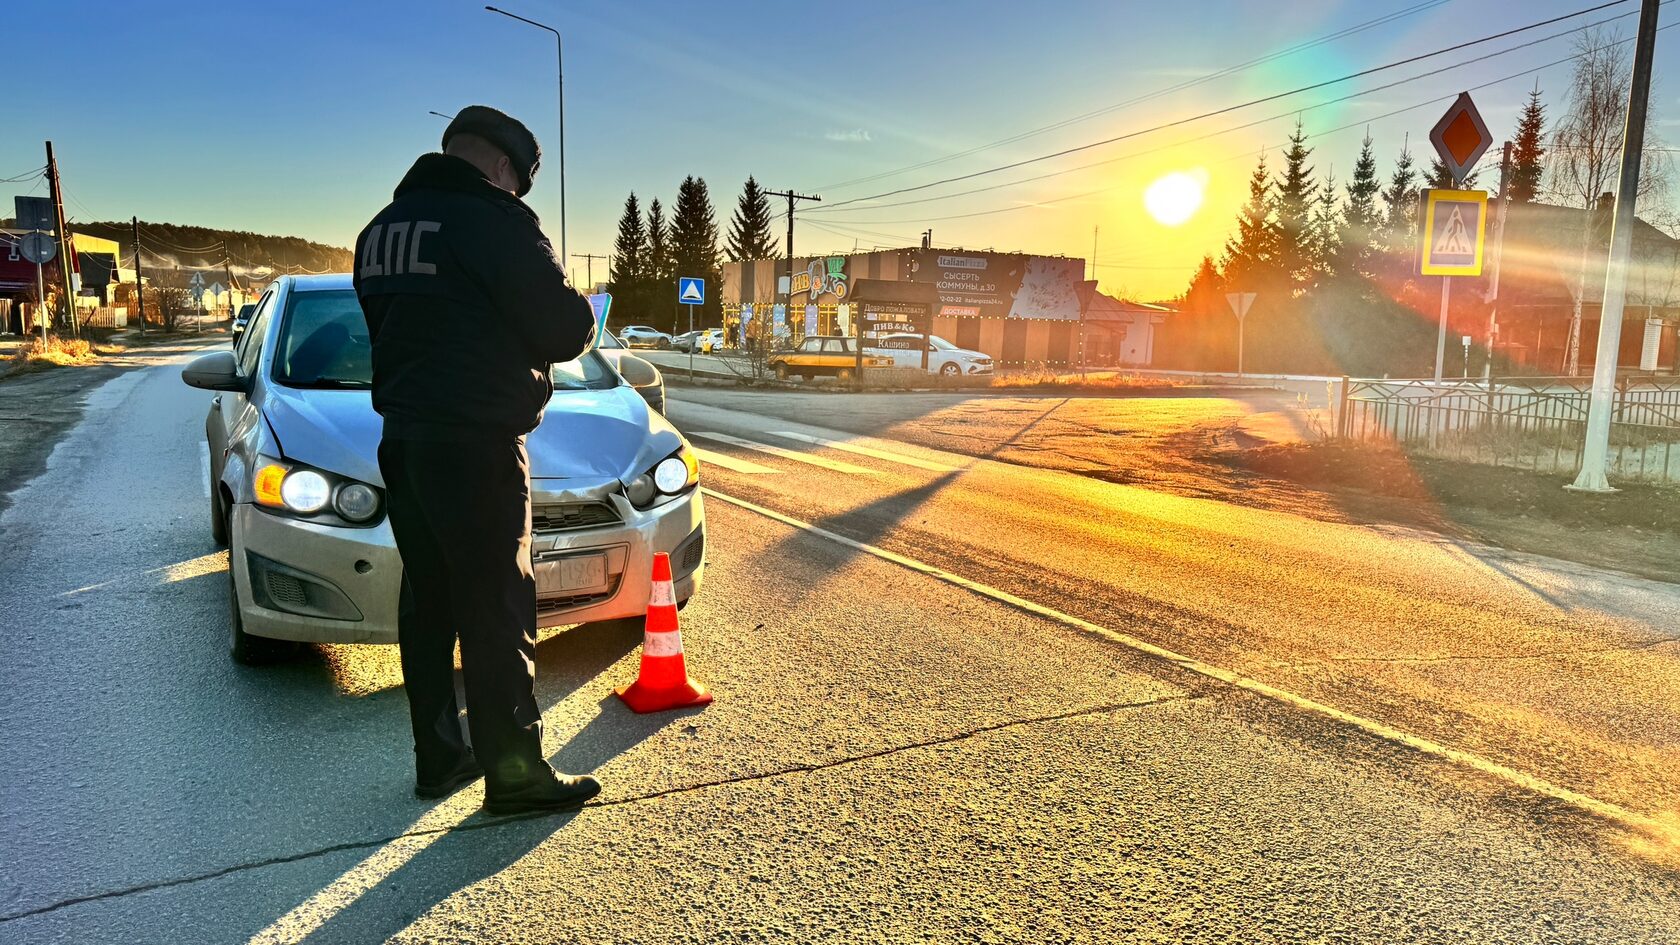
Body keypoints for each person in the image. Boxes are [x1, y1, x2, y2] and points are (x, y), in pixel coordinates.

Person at [353, 105, 601, 815]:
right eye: (517, 182)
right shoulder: (494, 221)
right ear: (500, 167)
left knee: (428, 603)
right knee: (497, 606)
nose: (516, 192)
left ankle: (439, 757)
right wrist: (582, 306)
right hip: (477, 446)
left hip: (405, 440)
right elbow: (563, 328)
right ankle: (515, 773)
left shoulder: (380, 231)